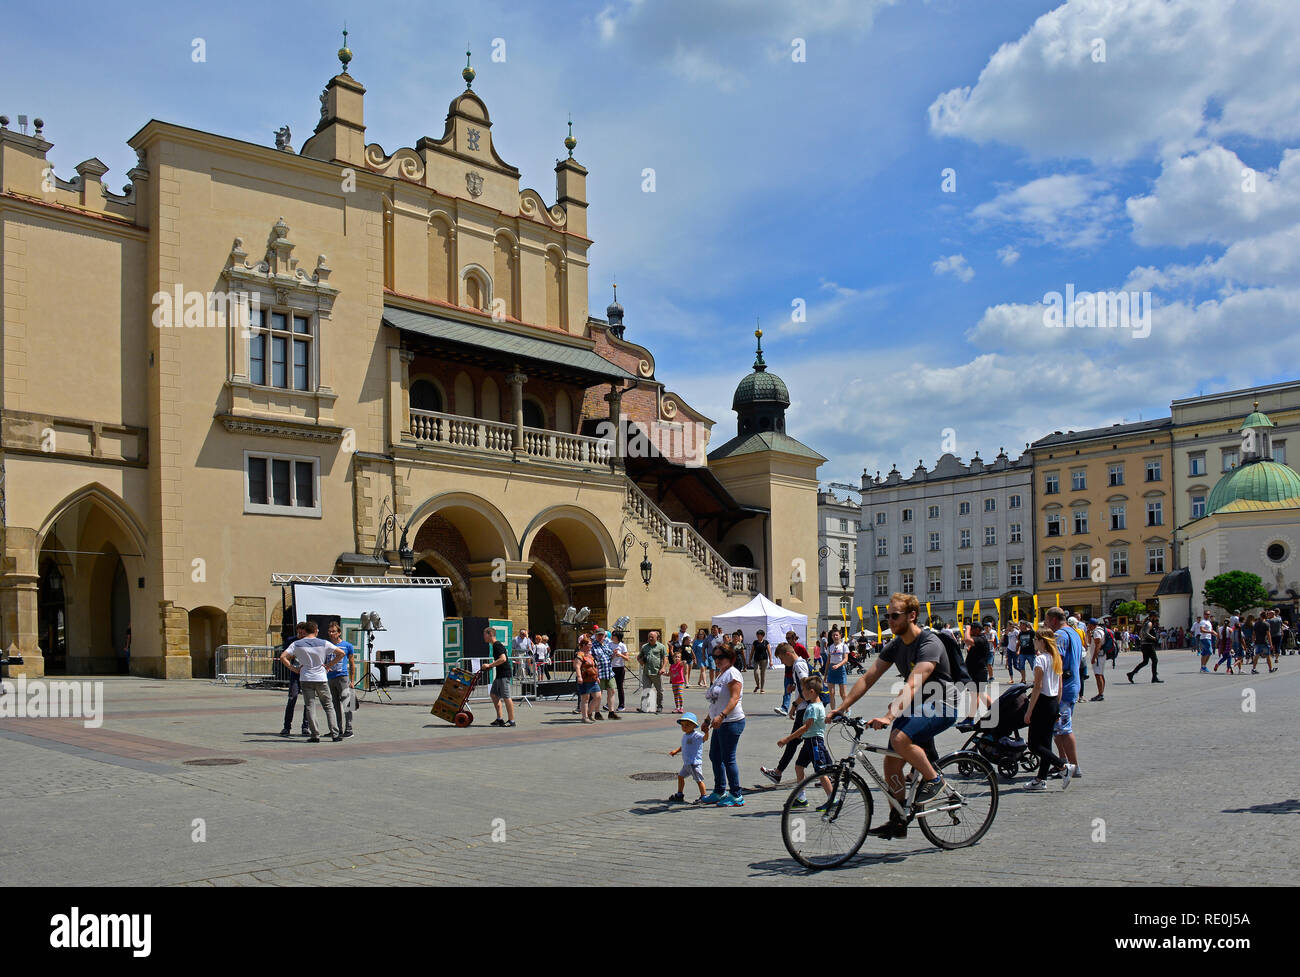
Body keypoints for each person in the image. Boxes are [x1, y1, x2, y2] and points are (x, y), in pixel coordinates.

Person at [830, 592, 959, 841]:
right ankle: (897, 820)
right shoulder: (896, 644)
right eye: (887, 615)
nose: (889, 619)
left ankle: (934, 780)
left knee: (899, 738)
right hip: (916, 707)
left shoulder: (929, 643)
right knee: (891, 762)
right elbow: (868, 677)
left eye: (894, 615)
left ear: (912, 616)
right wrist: (842, 707)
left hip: (943, 705)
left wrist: (890, 715)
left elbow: (913, 683)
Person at [1024, 628, 1075, 790]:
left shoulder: (1040, 660)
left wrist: (1029, 710)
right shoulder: (1055, 658)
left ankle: (1063, 766)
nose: (1033, 642)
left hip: (1041, 703)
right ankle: (1041, 779)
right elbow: (1059, 686)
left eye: (1035, 639)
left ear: (1042, 641)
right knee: (1046, 744)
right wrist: (1057, 708)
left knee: (1033, 744)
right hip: (1053, 702)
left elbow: (1037, 687)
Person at [278, 621, 347, 742]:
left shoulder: (297, 644)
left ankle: (315, 734)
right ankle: (335, 734)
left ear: (305, 631)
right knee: (328, 706)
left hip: (306, 677)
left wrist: (294, 669)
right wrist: (329, 664)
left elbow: (283, 657)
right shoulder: (323, 643)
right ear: (316, 631)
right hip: (321, 677)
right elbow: (341, 653)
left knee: (310, 706)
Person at [777, 674, 834, 809]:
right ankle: (801, 797)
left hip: (814, 742)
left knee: (820, 771)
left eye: (803, 691)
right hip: (809, 741)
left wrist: (787, 739)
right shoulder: (816, 705)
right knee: (799, 766)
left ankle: (832, 799)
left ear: (812, 692)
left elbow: (805, 727)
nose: (802, 694)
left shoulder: (814, 707)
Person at [700, 643, 746, 807]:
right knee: (715, 756)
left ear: (730, 657)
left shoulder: (733, 674)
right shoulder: (721, 675)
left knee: (728, 758)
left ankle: (736, 794)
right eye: (715, 657)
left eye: (721, 657)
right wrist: (707, 720)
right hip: (719, 722)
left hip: (731, 722)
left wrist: (722, 715)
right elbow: (716, 703)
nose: (717, 660)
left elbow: (734, 698)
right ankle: (719, 791)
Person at [760, 642, 811, 785]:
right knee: (808, 742)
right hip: (805, 707)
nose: (783, 662)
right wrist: (794, 686)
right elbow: (804, 685)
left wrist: (795, 705)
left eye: (782, 659)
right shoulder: (799, 664)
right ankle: (778, 772)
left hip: (805, 708)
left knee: (795, 741)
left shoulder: (798, 665)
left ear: (788, 654)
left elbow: (807, 688)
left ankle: (778, 772)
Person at [1046, 607, 1083, 779]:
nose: (1046, 625)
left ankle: (1074, 767)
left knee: (1064, 728)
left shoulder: (1059, 635)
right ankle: (1063, 763)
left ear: (1053, 620)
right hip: (1073, 684)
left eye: (1047, 621)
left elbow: (1057, 661)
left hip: (1064, 688)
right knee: (1057, 728)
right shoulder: (1074, 632)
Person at [478, 626, 516, 727]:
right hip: (500, 674)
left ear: (490, 634)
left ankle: (511, 721)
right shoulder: (494, 645)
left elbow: (503, 659)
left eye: (484, 635)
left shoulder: (497, 645)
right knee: (494, 694)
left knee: (506, 697)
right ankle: (499, 719)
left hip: (504, 674)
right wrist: (490, 667)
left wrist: (489, 665)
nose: (483, 637)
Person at [279, 622, 313, 737]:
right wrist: (293, 667)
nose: (302, 634)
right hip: (295, 673)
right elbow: (285, 655)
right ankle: (286, 726)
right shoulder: (291, 640)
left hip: (307, 674)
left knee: (308, 701)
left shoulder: (309, 641)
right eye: (300, 632)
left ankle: (306, 726)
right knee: (292, 698)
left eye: (304, 632)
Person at [667, 712, 709, 803]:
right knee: (680, 776)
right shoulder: (685, 736)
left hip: (694, 763)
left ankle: (704, 796)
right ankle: (679, 794)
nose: (684, 727)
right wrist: (676, 751)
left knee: (699, 780)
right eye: (682, 725)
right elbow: (683, 747)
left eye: (687, 725)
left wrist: (706, 732)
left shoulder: (696, 735)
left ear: (694, 726)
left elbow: (705, 739)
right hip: (687, 764)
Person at [325, 621, 356, 738]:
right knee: (334, 705)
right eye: (329, 631)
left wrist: (352, 681)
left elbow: (352, 663)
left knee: (348, 703)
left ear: (339, 633)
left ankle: (349, 729)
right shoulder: (327, 645)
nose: (331, 633)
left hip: (342, 677)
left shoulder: (347, 646)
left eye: (333, 631)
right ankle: (337, 729)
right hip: (330, 678)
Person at [592, 629, 621, 719]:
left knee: (612, 691)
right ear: (596, 636)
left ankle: (611, 712)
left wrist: (614, 654)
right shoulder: (593, 646)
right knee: (598, 694)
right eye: (599, 635)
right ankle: (597, 712)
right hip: (599, 673)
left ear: (605, 636)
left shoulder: (606, 645)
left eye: (602, 635)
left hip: (609, 672)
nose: (600, 637)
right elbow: (591, 660)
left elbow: (609, 657)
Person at [638, 630, 667, 713]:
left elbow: (665, 658)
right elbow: (639, 657)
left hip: (657, 672)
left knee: (659, 690)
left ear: (657, 638)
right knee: (646, 689)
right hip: (647, 672)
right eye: (649, 637)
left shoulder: (661, 647)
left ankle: (659, 706)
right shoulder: (644, 647)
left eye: (652, 637)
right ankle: (644, 707)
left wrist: (663, 668)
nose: (650, 638)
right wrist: (640, 661)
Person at [574, 635, 601, 723]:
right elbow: (577, 666)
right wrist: (579, 677)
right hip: (584, 679)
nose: (591, 646)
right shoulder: (580, 654)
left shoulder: (589, 655)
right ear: (584, 645)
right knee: (585, 699)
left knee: (598, 697)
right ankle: (584, 717)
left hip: (593, 679)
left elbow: (594, 666)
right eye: (589, 644)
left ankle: (589, 713)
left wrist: (597, 677)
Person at [1128, 614, 1162, 683]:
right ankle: (1154, 677)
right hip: (1148, 645)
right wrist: (1153, 638)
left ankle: (1131, 674)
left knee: (1145, 661)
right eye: (1156, 617)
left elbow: (1141, 633)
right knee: (1155, 660)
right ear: (1153, 616)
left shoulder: (1146, 623)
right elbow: (1145, 633)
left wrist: (1142, 640)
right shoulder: (1149, 623)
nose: (1156, 618)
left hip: (1145, 645)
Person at [824, 628, 849, 710]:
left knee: (843, 694)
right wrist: (825, 674)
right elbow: (828, 661)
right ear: (831, 636)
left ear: (840, 636)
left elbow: (846, 659)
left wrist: (838, 665)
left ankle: (847, 709)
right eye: (833, 635)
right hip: (831, 670)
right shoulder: (830, 647)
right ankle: (833, 711)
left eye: (836, 635)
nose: (835, 636)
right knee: (831, 693)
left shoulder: (844, 646)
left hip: (840, 670)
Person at [609, 629, 630, 711]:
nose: (612, 637)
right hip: (611, 668)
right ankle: (609, 703)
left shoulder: (622, 645)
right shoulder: (609, 644)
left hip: (620, 668)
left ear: (618, 637)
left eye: (614, 636)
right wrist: (613, 655)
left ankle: (621, 704)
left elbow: (627, 658)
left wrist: (620, 655)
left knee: (619, 686)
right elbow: (608, 656)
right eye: (612, 635)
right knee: (610, 687)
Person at [1088, 618, 1108, 701]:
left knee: (1098, 675)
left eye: (1089, 624)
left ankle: (1100, 694)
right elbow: (1090, 642)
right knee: (1100, 674)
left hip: (1099, 656)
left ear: (1092, 624)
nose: (1088, 626)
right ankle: (1101, 692)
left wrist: (1094, 657)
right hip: (1101, 655)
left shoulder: (1097, 632)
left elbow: (1098, 645)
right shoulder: (1098, 630)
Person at [751, 629, 770, 693]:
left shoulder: (766, 642)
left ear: (762, 635)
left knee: (763, 673)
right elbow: (752, 651)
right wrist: (750, 659)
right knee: (756, 673)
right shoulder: (755, 642)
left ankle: (762, 688)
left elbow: (769, 652)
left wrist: (771, 660)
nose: (758, 636)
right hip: (756, 659)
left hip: (764, 659)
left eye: (759, 635)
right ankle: (758, 685)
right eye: (757, 635)